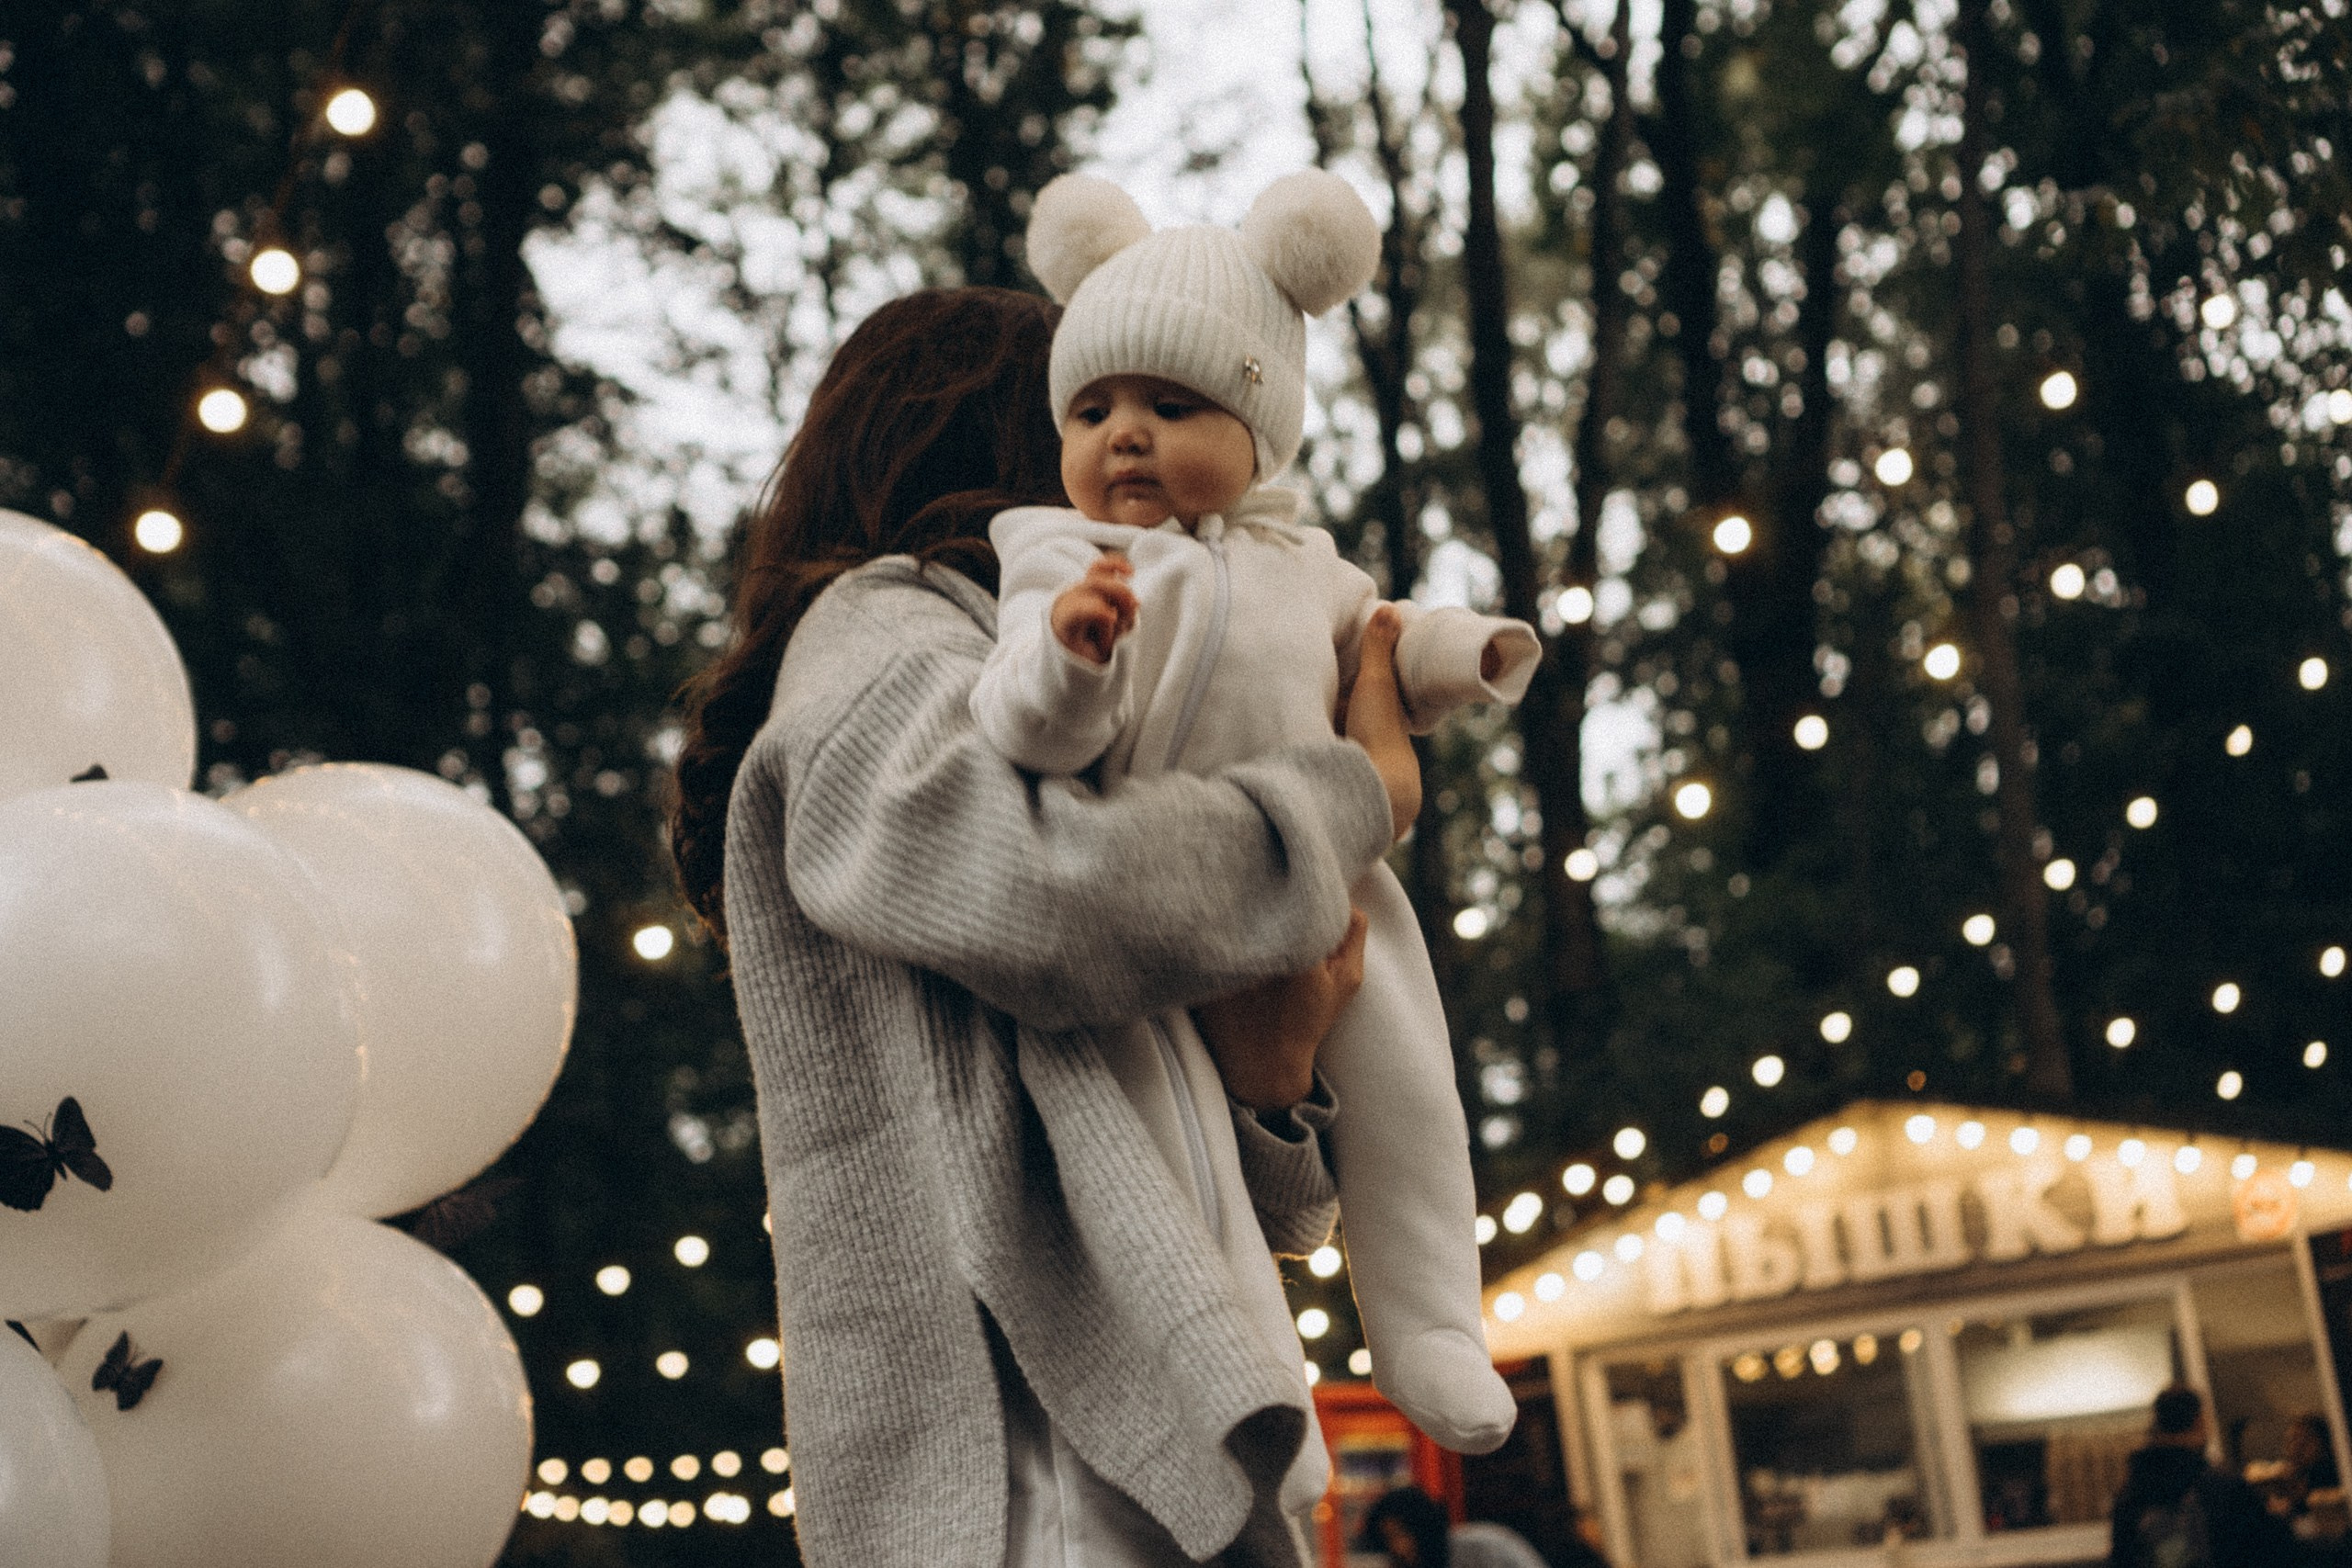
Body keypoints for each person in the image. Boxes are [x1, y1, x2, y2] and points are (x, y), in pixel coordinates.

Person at [670, 285, 1423, 1567]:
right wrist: (1353, 794)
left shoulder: (1072, 694)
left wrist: (1274, 1072)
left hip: (1139, 1444)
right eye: (1092, 409)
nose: (1130, 455)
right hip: (1030, 1470)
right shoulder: (878, 635)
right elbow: (1043, 896)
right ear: (1011, 443)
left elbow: (1272, 1215)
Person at [970, 167, 1538, 1458]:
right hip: (1156, 891)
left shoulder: (1306, 563)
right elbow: (1018, 720)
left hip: (1329, 882)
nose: (1124, 433)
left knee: (1406, 1087)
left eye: (1172, 404)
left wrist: (1475, 653)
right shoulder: (1058, 561)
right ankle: (1240, 1383)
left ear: (1259, 424)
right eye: (1095, 405)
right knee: (1175, 1142)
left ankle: (1433, 1318)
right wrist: (1072, 654)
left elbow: (1387, 639)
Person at [2110, 1385, 2296, 1568]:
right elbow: (2272, 1549)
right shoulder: (2222, 1488)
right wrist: (2278, 1517)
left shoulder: (2128, 1496)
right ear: (2199, 1421)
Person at [1359, 1486, 1576, 1568]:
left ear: (1422, 1527)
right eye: (1388, 1538)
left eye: (1400, 1534)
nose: (1398, 1547)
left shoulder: (1484, 1548)